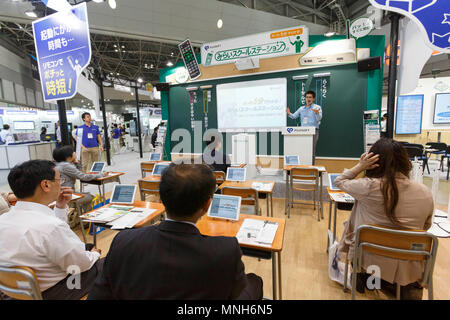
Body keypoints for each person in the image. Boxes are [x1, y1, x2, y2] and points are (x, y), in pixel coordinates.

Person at [88, 163, 263, 300]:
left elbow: (99, 294)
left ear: (162, 198)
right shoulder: (225, 250)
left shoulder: (123, 241)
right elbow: (235, 293)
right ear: (207, 205)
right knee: (254, 281)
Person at [335, 138, 434, 300]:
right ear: (405, 161)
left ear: (374, 162)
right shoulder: (425, 192)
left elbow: (339, 181)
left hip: (370, 258)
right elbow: (426, 226)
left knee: (360, 210)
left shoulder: (368, 187)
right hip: (409, 264)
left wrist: (360, 166)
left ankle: (363, 278)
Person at [0, 160, 103, 300]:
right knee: (108, 262)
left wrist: (60, 206)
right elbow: (80, 264)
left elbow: (54, 237)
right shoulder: (50, 227)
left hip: (13, 292)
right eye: (59, 179)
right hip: (52, 292)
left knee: (86, 248)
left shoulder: (5, 219)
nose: (61, 183)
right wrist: (94, 255)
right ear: (46, 185)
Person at [53, 146, 105, 213]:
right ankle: (85, 220)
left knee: (86, 194)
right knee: (90, 197)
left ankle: (80, 216)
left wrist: (76, 162)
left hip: (59, 194)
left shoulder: (58, 164)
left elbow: (79, 172)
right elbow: (84, 176)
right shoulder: (66, 166)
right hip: (66, 195)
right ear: (68, 156)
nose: (74, 153)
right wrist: (101, 175)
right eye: (73, 152)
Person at [286, 90, 322, 164]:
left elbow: (319, 118)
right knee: (302, 149)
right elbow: (294, 116)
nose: (308, 99)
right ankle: (302, 165)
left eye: (310, 97)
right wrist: (289, 113)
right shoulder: (301, 108)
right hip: (303, 132)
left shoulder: (317, 107)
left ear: (313, 99)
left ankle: (311, 166)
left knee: (311, 149)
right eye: (307, 97)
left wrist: (317, 113)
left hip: (313, 131)